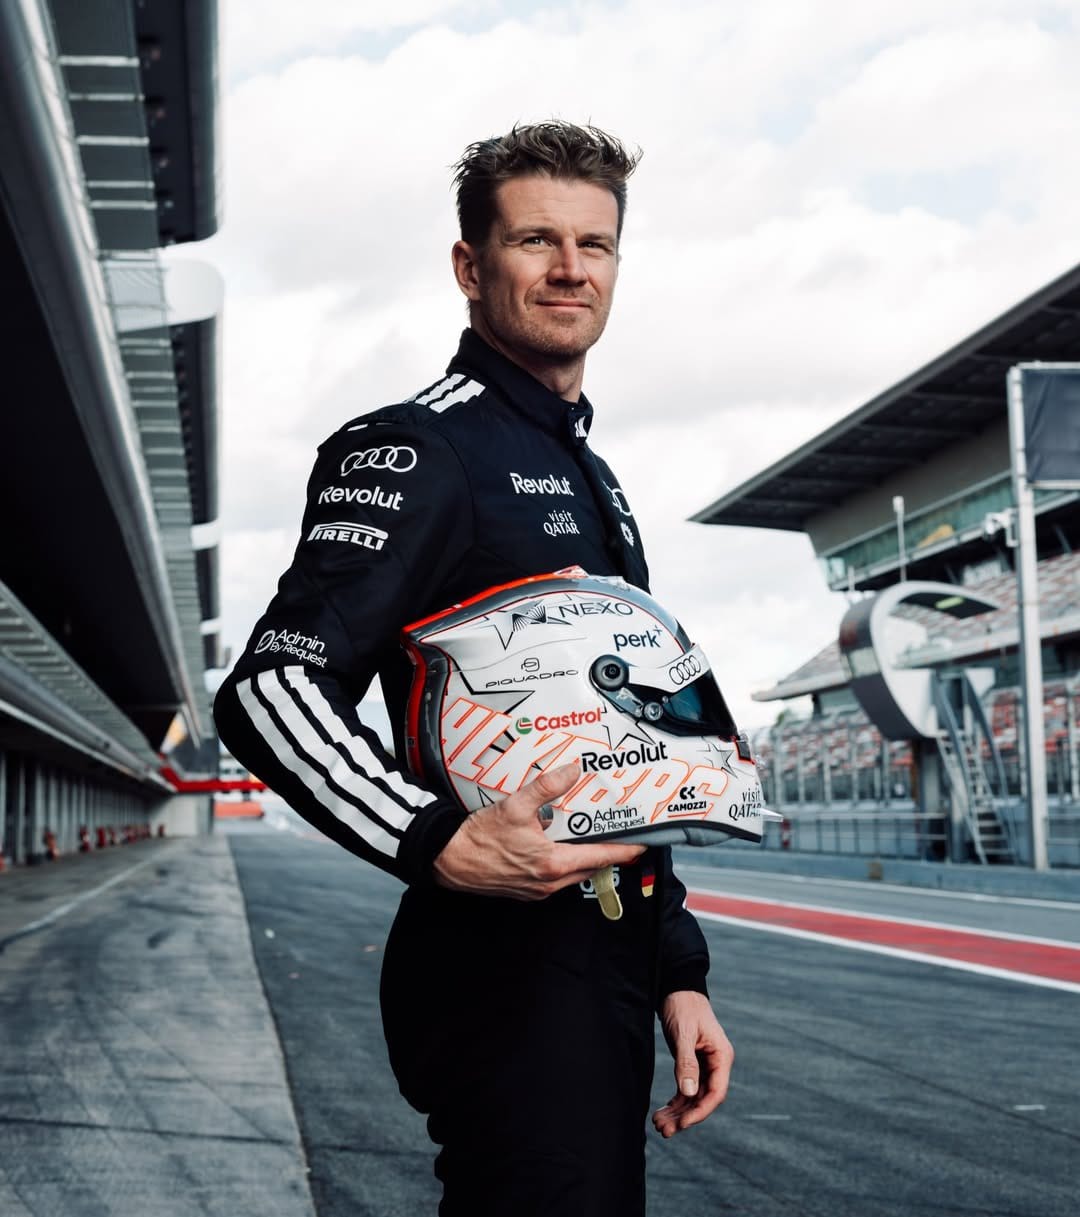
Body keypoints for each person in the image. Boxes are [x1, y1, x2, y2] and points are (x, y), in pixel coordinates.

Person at [214, 120, 733, 1216]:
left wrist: (676, 971)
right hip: (503, 979)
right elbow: (270, 688)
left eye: (595, 244)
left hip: (604, 963)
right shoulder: (419, 449)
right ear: (469, 265)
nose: (570, 268)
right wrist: (434, 840)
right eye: (536, 240)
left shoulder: (594, 475)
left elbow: (625, 749)